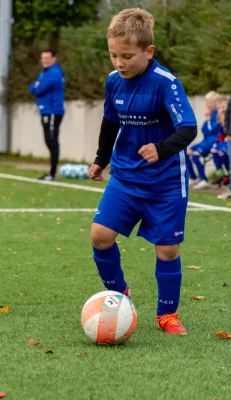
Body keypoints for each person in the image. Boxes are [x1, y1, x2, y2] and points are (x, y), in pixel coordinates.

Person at [88, 8, 198, 335]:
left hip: (164, 184)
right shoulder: (113, 82)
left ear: (149, 52)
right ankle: (119, 294)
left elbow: (189, 128)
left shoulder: (167, 84)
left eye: (127, 56)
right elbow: (110, 122)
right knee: (100, 235)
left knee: (167, 249)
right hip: (124, 177)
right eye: (113, 55)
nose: (119, 63)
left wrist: (160, 148)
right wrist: (100, 159)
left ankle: (167, 315)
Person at [28, 49, 65, 181]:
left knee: (52, 141)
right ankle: (52, 172)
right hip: (46, 112)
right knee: (49, 141)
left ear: (54, 58)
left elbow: (38, 89)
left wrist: (36, 86)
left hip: (53, 112)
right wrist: (35, 86)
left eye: (47, 58)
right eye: (43, 58)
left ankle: (53, 173)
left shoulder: (54, 73)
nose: (45, 61)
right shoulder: (45, 72)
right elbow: (31, 88)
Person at [187, 91, 220, 189]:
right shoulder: (210, 115)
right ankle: (193, 177)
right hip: (206, 141)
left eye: (210, 102)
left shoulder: (218, 114)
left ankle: (203, 179)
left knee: (195, 155)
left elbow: (215, 131)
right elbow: (205, 132)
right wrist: (207, 119)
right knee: (186, 152)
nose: (208, 105)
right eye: (207, 102)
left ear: (215, 102)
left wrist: (209, 118)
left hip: (214, 142)